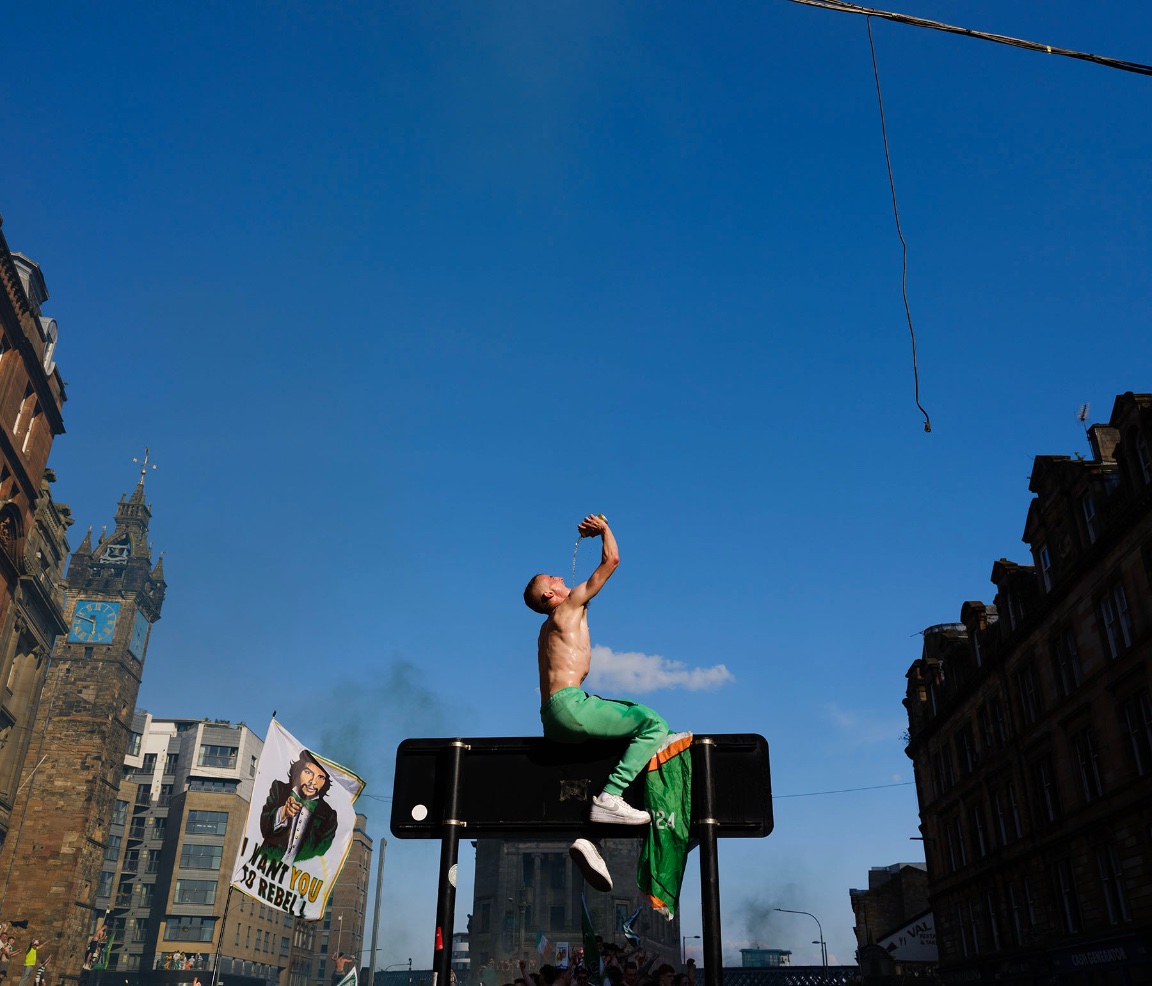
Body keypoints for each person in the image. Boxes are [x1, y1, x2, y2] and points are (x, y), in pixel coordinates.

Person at [525, 515, 683, 891]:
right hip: (571, 705)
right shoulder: (566, 609)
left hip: (552, 717)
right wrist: (604, 531)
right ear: (550, 596)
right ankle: (611, 796)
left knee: (614, 750)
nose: (562, 579)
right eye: (554, 581)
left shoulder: (546, 629)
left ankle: (591, 840)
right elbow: (610, 562)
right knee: (651, 723)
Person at [259, 750, 339, 864]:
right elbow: (263, 828)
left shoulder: (329, 815)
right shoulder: (279, 789)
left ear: (325, 782)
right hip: (266, 865)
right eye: (308, 772)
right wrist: (282, 812)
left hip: (296, 876)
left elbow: (322, 854)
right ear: (298, 771)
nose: (313, 782)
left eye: (320, 777)